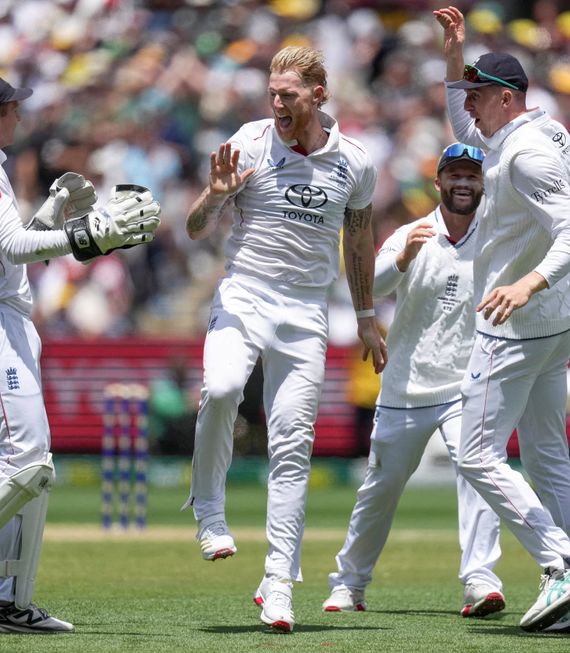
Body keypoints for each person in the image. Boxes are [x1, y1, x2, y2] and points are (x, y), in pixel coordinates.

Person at [0, 72, 161, 636]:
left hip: (0, 316)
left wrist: (56, 209)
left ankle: (9, 602)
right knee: (27, 460)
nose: (20, 116)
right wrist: (91, 233)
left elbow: (8, 249)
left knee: (34, 467)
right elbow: (15, 248)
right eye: (14, 109)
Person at [182, 45, 387, 633]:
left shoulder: (355, 162)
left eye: (289, 95)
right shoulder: (248, 142)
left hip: (305, 311)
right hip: (244, 293)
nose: (277, 103)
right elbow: (196, 228)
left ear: (318, 95)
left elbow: (359, 240)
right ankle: (210, 514)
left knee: (293, 444)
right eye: (272, 92)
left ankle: (278, 583)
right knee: (221, 390)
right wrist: (216, 194)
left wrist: (367, 315)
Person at [436, 6, 570, 633]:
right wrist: (455, 61)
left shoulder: (525, 153)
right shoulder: (542, 132)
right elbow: (462, 120)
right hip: (556, 320)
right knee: (546, 456)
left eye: (479, 95)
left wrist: (528, 279)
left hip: (516, 321)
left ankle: (563, 564)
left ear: (506, 99)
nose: (470, 105)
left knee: (477, 452)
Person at [323, 143, 510, 618]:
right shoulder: (412, 232)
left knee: (481, 474)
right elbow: (372, 284)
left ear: (482, 183)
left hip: (466, 385)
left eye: (472, 175)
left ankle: (481, 580)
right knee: (380, 488)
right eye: (455, 176)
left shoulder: (494, 237)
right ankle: (349, 583)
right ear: (439, 183)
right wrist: (403, 257)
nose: (463, 183)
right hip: (406, 387)